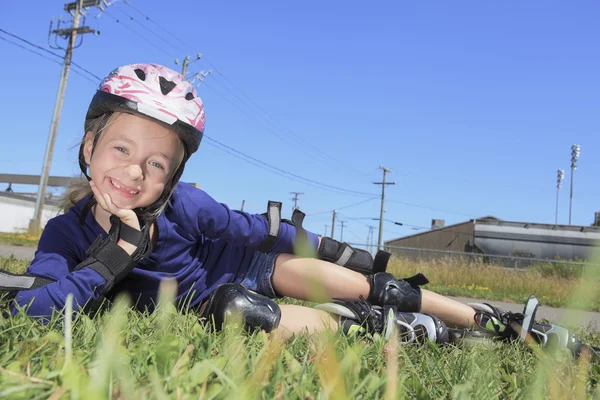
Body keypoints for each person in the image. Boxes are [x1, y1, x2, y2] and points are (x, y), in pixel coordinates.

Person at [2, 63, 585, 355]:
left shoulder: (187, 206)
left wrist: (334, 250)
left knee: (356, 280)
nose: (135, 172)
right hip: (219, 299)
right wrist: (109, 263)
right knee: (233, 306)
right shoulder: (64, 232)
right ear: (89, 147)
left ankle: (485, 319)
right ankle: (389, 333)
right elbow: (33, 307)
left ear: (173, 174)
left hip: (253, 265)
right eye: (121, 149)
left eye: (156, 163)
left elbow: (254, 230)